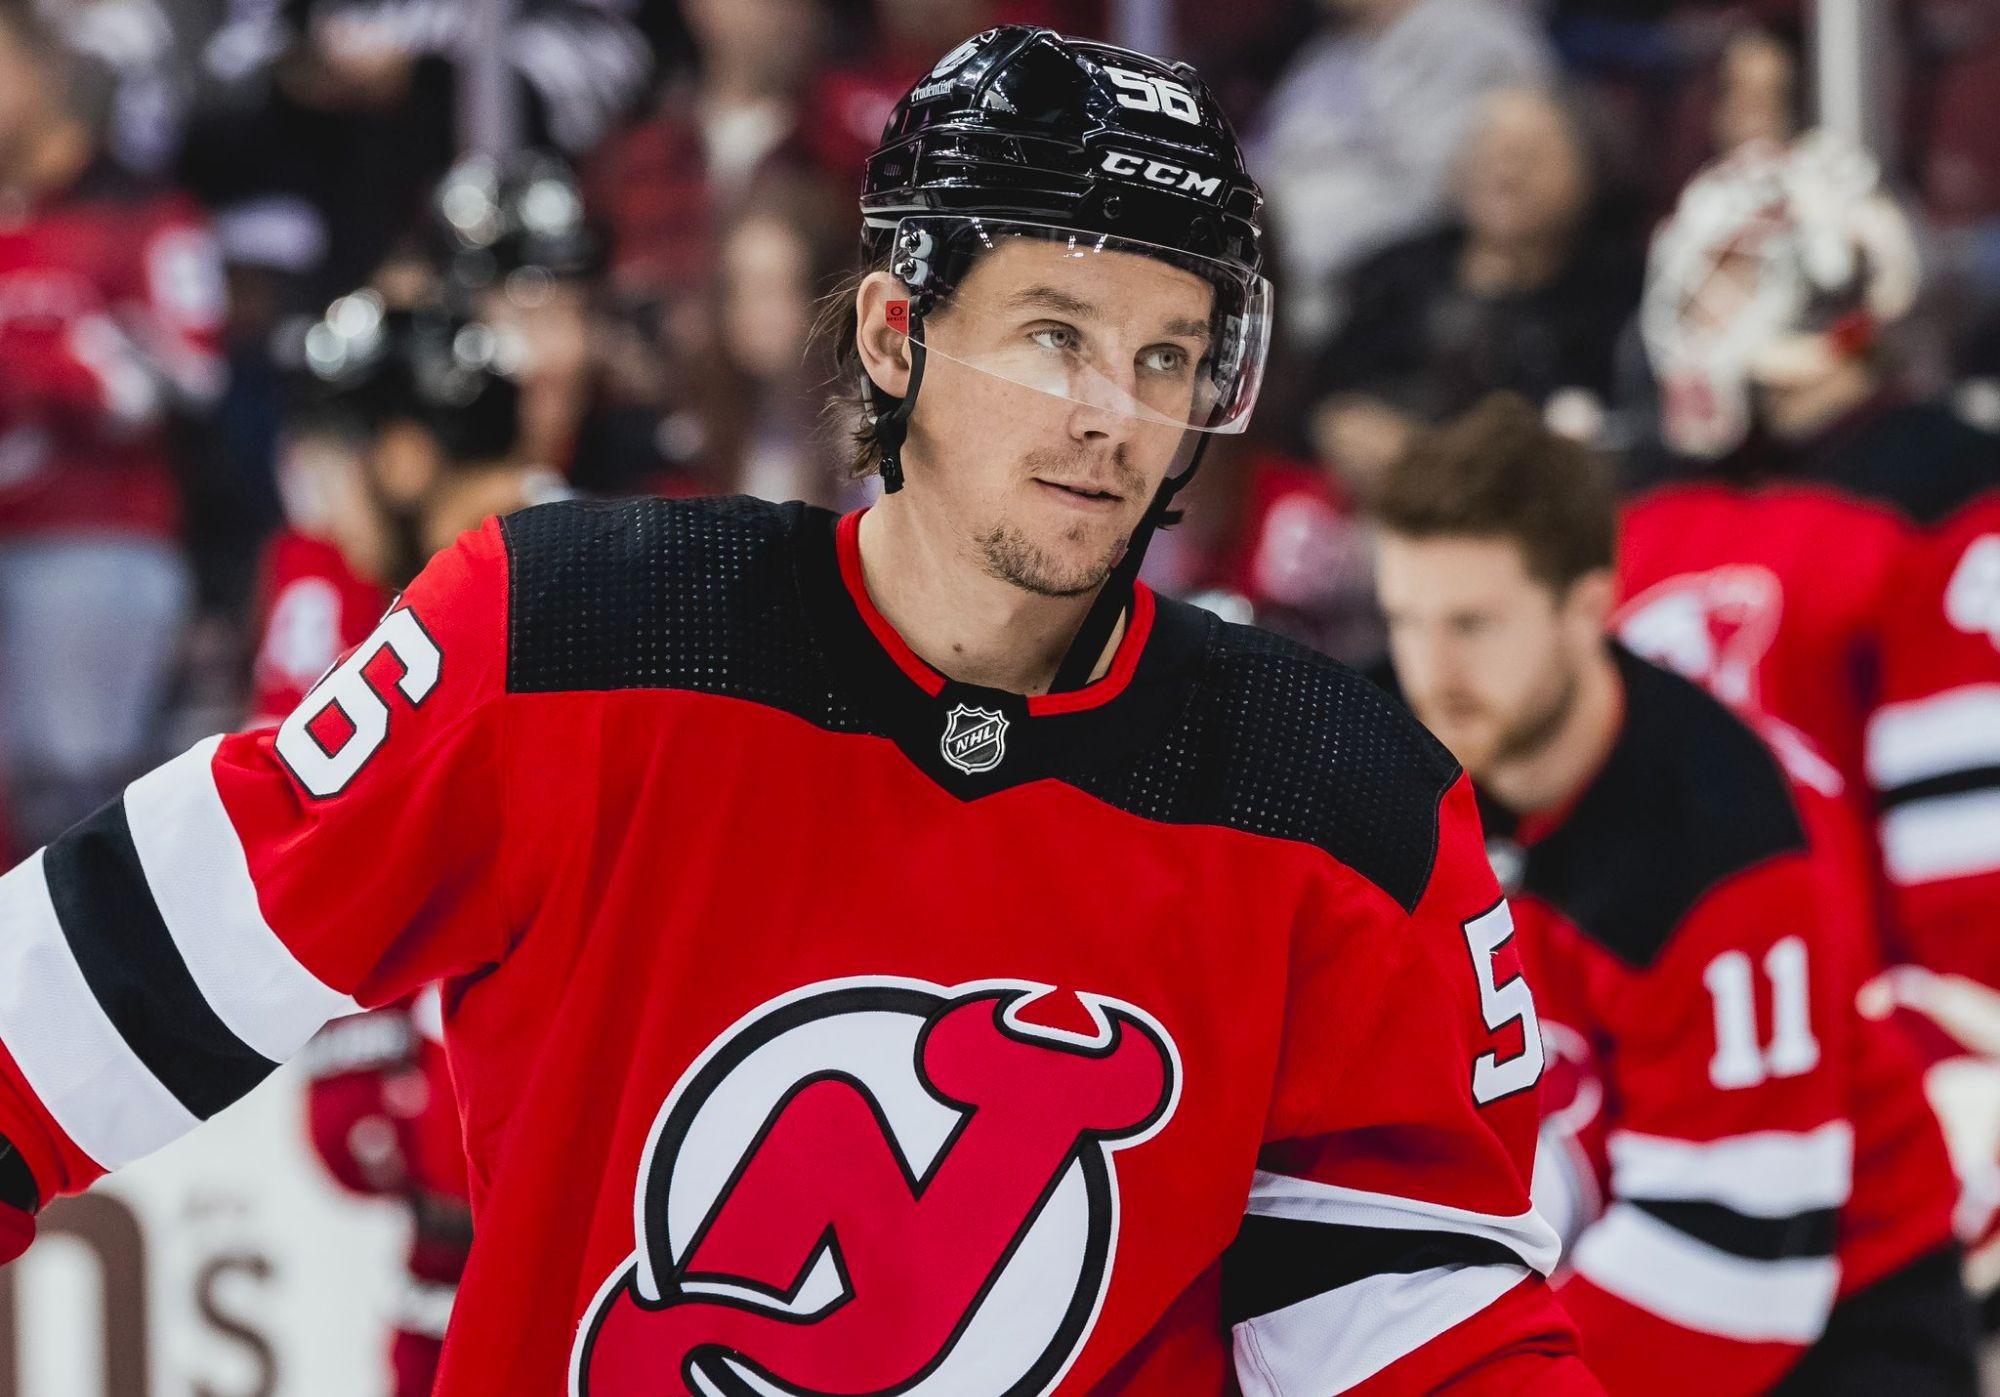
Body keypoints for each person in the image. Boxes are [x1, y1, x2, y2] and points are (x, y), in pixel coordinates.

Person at [0, 28, 1598, 1393]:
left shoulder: (1343, 799)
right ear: (899, 332)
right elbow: (96, 986)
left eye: (1169, 355)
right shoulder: (568, 640)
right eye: (1056, 335)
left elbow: (1420, 1328)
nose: (1114, 415)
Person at [1367, 393, 1972, 1395]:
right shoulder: (1380, 752)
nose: (1430, 670)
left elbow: (1734, 1273)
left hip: (1836, 1310)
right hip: (1589, 1266)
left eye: (1472, 623)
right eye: (1404, 619)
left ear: (1585, 604)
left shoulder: (1717, 836)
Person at [0, 0, 227, 850]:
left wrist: (61, 353)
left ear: (44, 72)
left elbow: (194, 376)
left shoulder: (139, 213)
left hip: (94, 534)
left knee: (73, 795)